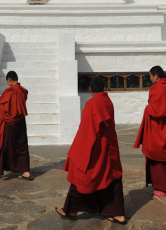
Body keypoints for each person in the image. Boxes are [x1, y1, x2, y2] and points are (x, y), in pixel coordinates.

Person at [55, 78, 127, 225]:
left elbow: (87, 131)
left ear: (90, 89)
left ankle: (71, 210)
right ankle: (119, 214)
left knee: (82, 175)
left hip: (96, 148)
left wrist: (77, 151)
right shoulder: (108, 101)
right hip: (109, 147)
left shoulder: (92, 104)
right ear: (103, 88)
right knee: (112, 177)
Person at [134, 65, 166, 196]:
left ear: (156, 75)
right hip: (161, 126)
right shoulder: (165, 86)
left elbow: (158, 110)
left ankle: (165, 187)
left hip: (160, 128)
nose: (150, 79)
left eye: (151, 76)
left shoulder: (160, 88)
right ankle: (161, 185)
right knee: (160, 157)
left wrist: (147, 109)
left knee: (159, 155)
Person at [0, 71, 33, 180]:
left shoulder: (9, 91)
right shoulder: (24, 91)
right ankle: (26, 172)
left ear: (9, 80)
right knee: (22, 146)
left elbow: (4, 109)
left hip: (9, 123)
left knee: (4, 145)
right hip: (20, 122)